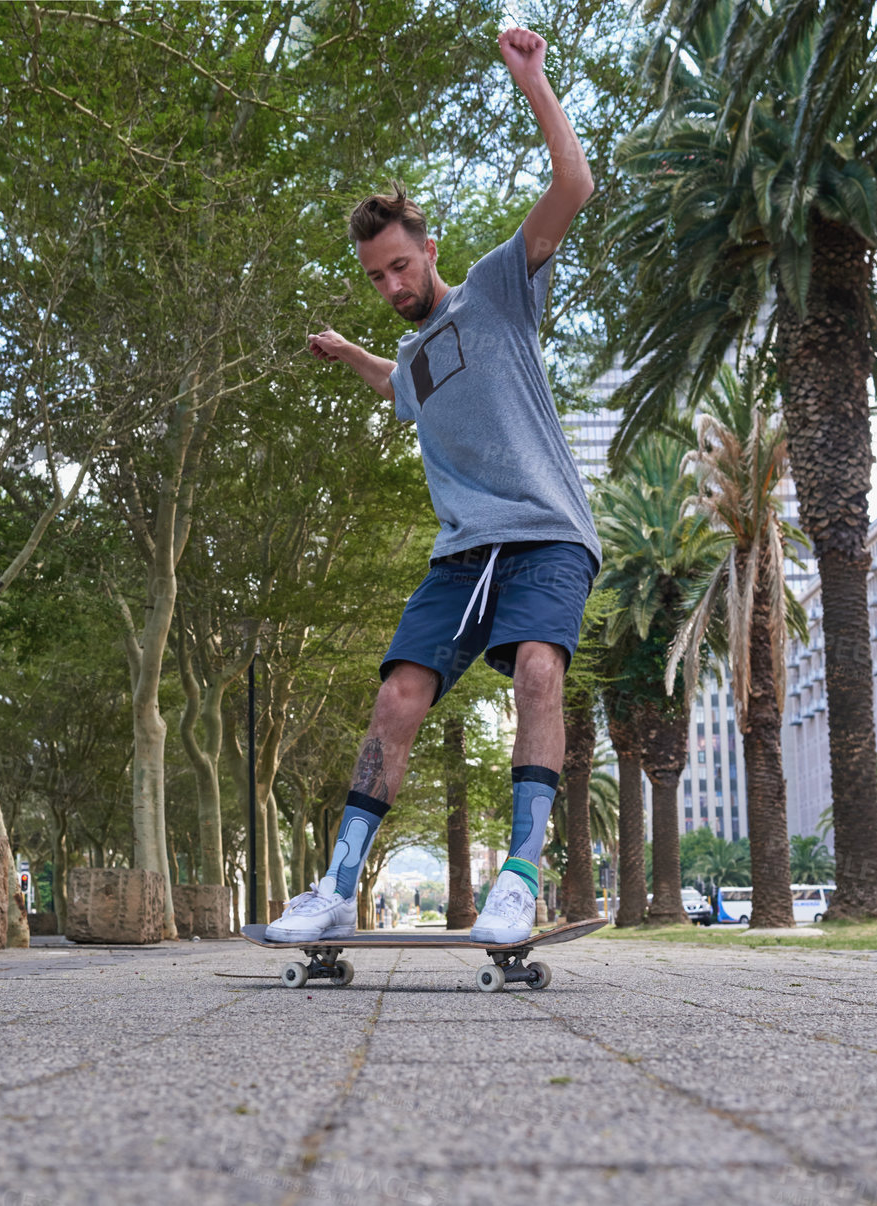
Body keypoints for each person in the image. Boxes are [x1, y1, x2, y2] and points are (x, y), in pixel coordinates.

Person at [265, 26, 597, 946]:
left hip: (546, 535)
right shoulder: (411, 354)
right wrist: (347, 355)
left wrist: (532, 81)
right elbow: (401, 380)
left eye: (401, 266)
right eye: (376, 278)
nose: (392, 284)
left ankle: (520, 878)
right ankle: (335, 884)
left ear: (429, 247)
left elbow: (574, 188)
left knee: (537, 670)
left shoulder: (496, 289)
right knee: (398, 695)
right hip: (462, 553)